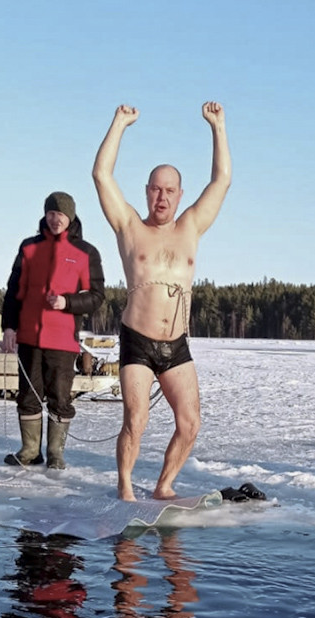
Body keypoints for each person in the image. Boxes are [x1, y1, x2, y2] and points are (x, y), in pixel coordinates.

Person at [92, 102, 231, 501]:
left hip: (177, 345)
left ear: (180, 194)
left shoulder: (191, 226)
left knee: (190, 423)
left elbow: (221, 181)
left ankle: (164, 485)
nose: (163, 197)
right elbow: (101, 175)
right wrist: (118, 123)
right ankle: (124, 487)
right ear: (147, 192)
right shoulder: (130, 226)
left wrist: (217, 127)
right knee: (136, 420)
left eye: (170, 190)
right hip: (137, 339)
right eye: (156, 189)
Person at [1, 191, 105, 469]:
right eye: (51, 213)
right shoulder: (29, 248)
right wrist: (9, 326)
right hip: (29, 337)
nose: (55, 219)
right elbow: (13, 292)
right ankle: (30, 451)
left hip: (62, 340)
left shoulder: (85, 252)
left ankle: (56, 454)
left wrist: (66, 302)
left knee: (59, 397)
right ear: (44, 215)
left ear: (70, 217)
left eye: (60, 214)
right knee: (28, 394)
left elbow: (96, 296)